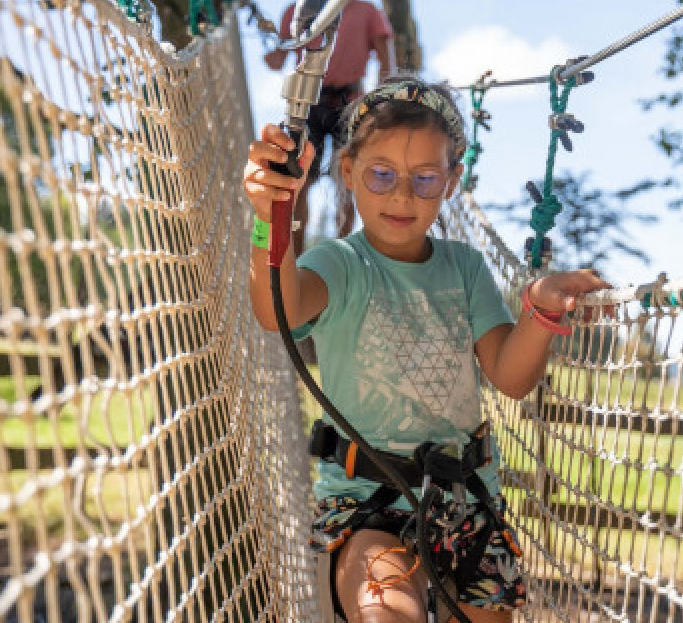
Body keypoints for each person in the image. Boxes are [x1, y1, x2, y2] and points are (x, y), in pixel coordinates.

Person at [243, 78, 610, 622]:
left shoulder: (466, 268)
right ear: (348, 172)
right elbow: (277, 310)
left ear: (451, 181)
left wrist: (539, 311)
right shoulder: (339, 264)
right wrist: (270, 217)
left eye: (425, 178)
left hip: (469, 507)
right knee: (386, 613)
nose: (402, 195)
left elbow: (510, 377)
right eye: (382, 174)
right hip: (368, 507)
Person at [264, 0, 394, 256]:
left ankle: (342, 253)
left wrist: (381, 102)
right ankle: (296, 259)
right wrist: (270, 37)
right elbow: (277, 61)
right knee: (299, 180)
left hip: (351, 103)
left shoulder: (365, 11)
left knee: (347, 180)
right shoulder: (295, 13)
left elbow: (385, 57)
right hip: (309, 104)